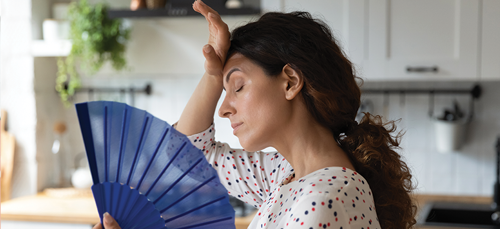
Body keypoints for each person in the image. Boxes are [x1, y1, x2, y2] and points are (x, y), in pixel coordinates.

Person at [93, 0, 417, 228]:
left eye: (237, 87)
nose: (223, 107)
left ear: (289, 82)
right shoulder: (285, 175)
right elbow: (187, 159)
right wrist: (213, 75)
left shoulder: (322, 200)